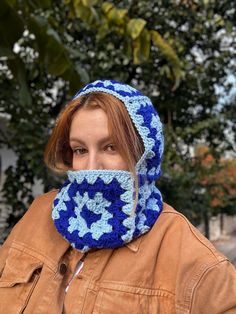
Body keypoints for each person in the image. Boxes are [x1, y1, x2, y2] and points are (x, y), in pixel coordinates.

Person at [0, 79, 235, 314]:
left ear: (144, 156)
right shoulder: (39, 214)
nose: (91, 167)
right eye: (80, 150)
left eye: (110, 147)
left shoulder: (195, 263)